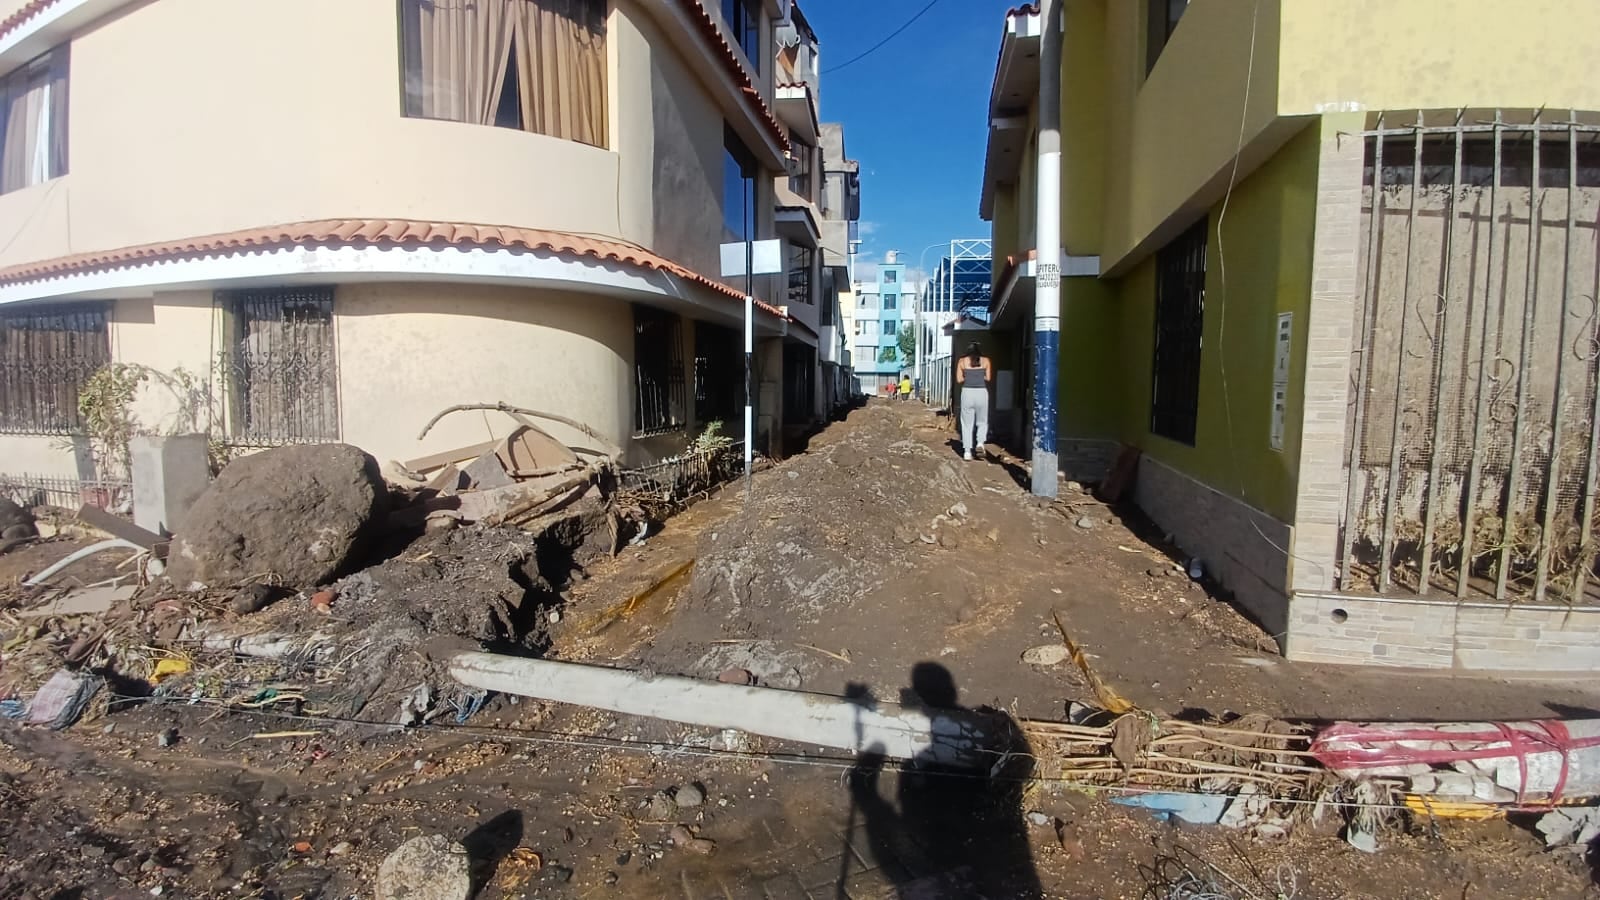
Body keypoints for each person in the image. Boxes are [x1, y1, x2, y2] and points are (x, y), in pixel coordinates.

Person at [957, 342, 991, 460]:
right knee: (982, 420)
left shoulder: (962, 361)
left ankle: (967, 452)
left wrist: (968, 377)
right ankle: (980, 443)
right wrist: (979, 376)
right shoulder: (986, 361)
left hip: (967, 393)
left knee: (966, 423)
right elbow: (988, 378)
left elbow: (959, 379)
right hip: (982, 393)